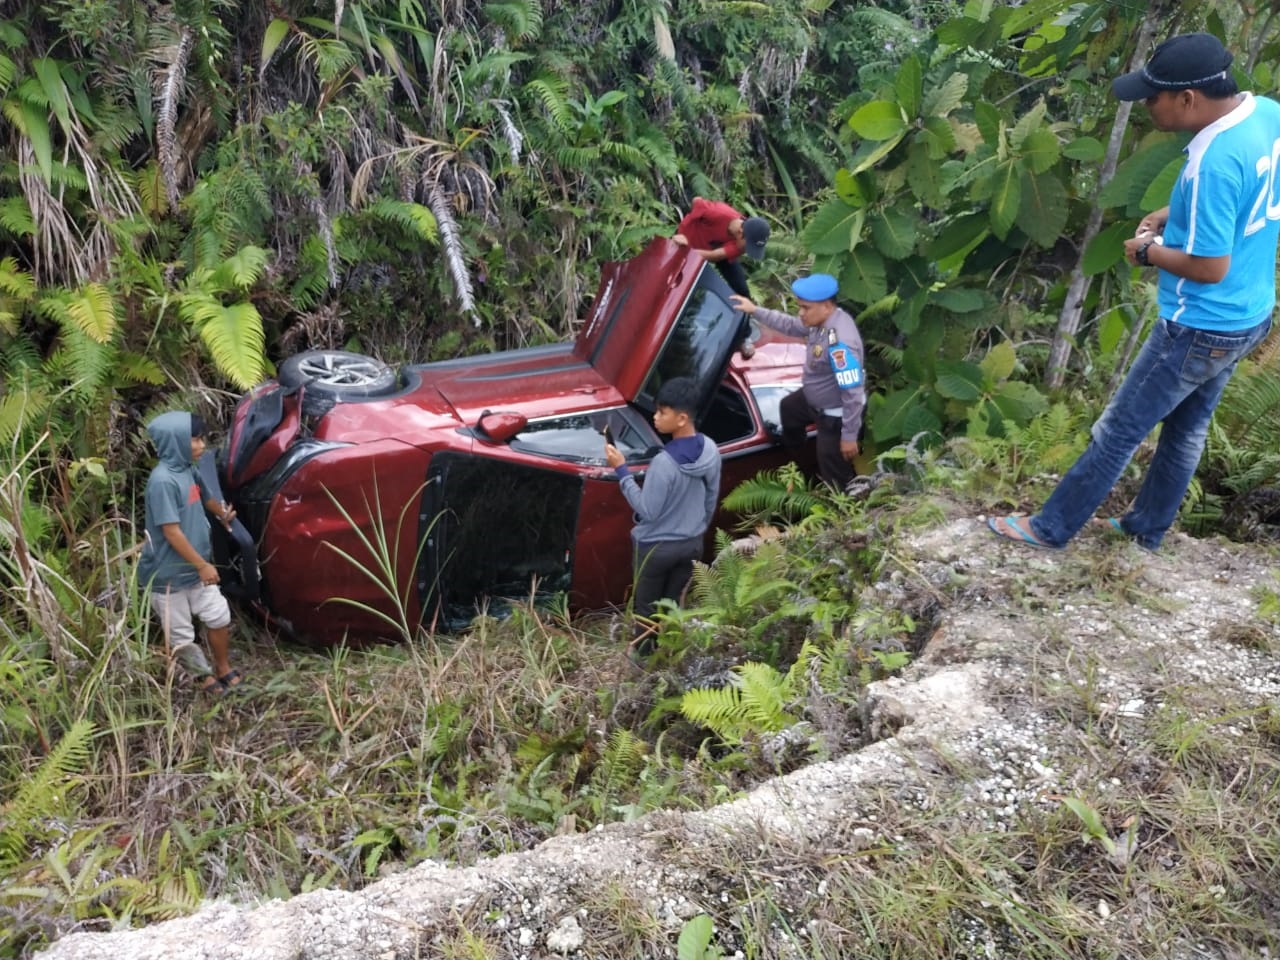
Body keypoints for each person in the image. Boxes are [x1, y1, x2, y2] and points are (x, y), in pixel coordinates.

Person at [988, 32, 1280, 551]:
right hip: (1247, 314)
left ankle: (1049, 529)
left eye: (1153, 97)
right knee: (1187, 431)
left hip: (1198, 322)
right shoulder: (1265, 114)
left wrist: (1148, 253)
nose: (1147, 106)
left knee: (1119, 429)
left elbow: (1209, 266)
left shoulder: (1213, 162)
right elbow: (1254, 190)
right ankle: (1146, 530)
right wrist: (1178, 213)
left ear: (1187, 99)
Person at [604, 377, 722, 658]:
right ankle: (671, 656)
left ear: (681, 418)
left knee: (646, 610)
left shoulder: (664, 463)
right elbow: (711, 498)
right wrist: (697, 529)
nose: (655, 418)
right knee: (672, 605)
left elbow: (647, 510)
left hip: (655, 549)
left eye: (662, 412)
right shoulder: (711, 450)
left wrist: (621, 470)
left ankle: (643, 665)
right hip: (692, 543)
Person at [138, 411, 244, 695]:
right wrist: (202, 566)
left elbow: (205, 495)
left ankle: (222, 667)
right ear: (174, 442)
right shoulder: (162, 482)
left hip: (197, 568)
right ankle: (202, 675)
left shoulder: (188, 469)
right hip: (169, 575)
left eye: (201, 439)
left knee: (218, 615)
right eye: (194, 440)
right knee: (181, 633)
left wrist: (221, 513)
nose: (201, 446)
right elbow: (171, 532)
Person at [730, 274, 866, 492]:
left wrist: (849, 436)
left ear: (826, 306)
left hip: (834, 418)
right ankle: (801, 457)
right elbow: (790, 325)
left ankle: (848, 508)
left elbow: (853, 393)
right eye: (799, 307)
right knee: (788, 408)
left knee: (836, 474)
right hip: (813, 401)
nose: (800, 313)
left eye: (805, 308)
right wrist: (754, 310)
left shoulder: (841, 344)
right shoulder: (819, 321)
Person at [672, 197, 770, 299]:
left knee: (742, 290)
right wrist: (689, 222)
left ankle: (746, 310)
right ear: (741, 233)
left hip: (708, 249)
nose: (747, 251)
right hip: (682, 238)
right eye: (749, 247)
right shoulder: (719, 213)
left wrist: (689, 251)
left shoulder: (740, 244)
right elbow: (696, 201)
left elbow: (715, 256)